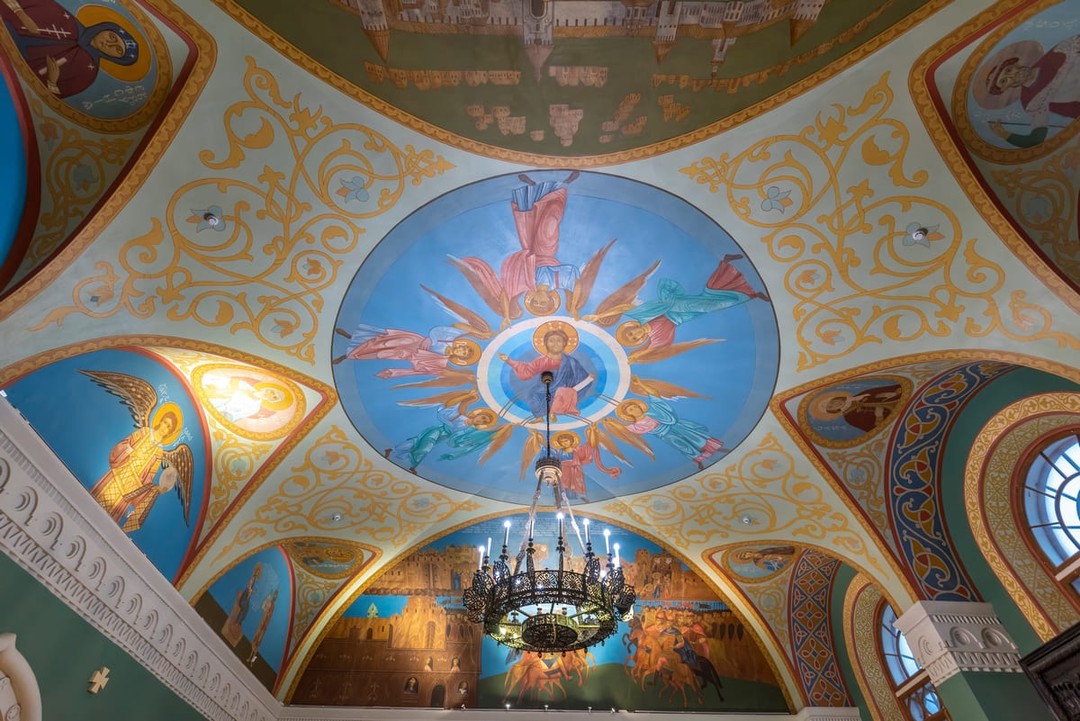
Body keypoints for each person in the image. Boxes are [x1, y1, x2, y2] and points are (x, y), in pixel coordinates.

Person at [610, 255, 767, 351]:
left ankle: (749, 294)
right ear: (639, 340)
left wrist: (600, 317)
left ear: (631, 327)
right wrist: (634, 358)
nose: (635, 335)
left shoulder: (641, 316)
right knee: (708, 299)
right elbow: (654, 351)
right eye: (634, 339)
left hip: (676, 306)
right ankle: (725, 264)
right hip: (684, 316)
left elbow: (621, 308)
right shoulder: (656, 337)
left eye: (631, 333)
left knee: (710, 305)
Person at [0, 0, 140, 98]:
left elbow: (50, 101)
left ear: (116, 59)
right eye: (112, 37)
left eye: (117, 50)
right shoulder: (66, 19)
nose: (109, 44)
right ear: (105, 28)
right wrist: (22, 14)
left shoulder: (87, 73)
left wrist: (52, 81)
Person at [981, 36, 1080, 148]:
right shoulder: (1032, 101)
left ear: (1015, 63)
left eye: (1009, 70)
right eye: (1004, 80)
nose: (1013, 75)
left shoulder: (1058, 51)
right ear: (1005, 89)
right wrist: (1004, 134)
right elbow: (1036, 139)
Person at [499, 323, 592, 419]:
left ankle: (554, 410)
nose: (555, 344)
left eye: (559, 341)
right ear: (546, 344)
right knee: (531, 394)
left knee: (561, 393)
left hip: (562, 390)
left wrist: (589, 378)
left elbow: (581, 378)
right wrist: (509, 361)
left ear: (564, 343)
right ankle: (541, 416)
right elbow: (527, 371)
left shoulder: (571, 362)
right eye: (551, 341)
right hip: (542, 388)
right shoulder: (541, 361)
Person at [616, 398, 724, 470]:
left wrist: (641, 385)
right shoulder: (636, 426)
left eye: (635, 406)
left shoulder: (652, 412)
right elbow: (623, 429)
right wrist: (612, 423)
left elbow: (657, 402)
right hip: (666, 436)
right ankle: (700, 460)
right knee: (684, 446)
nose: (635, 409)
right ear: (628, 414)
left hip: (675, 427)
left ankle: (714, 448)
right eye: (631, 409)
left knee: (695, 438)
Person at [333, 325, 480, 377]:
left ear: (461, 359)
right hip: (413, 341)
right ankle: (350, 336)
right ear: (463, 345)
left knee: (381, 353)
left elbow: (422, 368)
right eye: (464, 349)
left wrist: (395, 372)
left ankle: (348, 356)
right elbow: (438, 330)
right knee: (384, 341)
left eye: (464, 355)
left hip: (407, 354)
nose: (461, 351)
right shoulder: (450, 338)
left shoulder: (442, 360)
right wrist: (431, 339)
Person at [808, 383, 903, 432]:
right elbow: (872, 427)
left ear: (837, 398)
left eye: (833, 401)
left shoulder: (859, 396)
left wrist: (887, 394)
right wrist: (879, 416)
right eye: (830, 407)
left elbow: (876, 392)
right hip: (897, 420)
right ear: (833, 411)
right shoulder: (850, 418)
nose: (835, 404)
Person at [222, 563, 261, 647]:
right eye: (257, 572)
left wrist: (252, 591)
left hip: (246, 599)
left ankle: (239, 622)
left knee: (246, 610)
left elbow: (250, 588)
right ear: (255, 572)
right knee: (244, 608)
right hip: (243, 599)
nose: (257, 574)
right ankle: (237, 622)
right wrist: (250, 591)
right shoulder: (252, 579)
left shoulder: (254, 580)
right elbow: (248, 586)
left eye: (258, 572)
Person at [246, 589, 277, 665]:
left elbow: (270, 615)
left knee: (258, 642)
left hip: (265, 624)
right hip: (262, 622)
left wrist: (268, 614)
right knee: (256, 638)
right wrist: (267, 601)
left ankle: (252, 660)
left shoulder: (273, 606)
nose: (274, 597)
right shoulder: (269, 602)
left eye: (275, 596)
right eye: (274, 595)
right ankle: (250, 657)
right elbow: (263, 607)